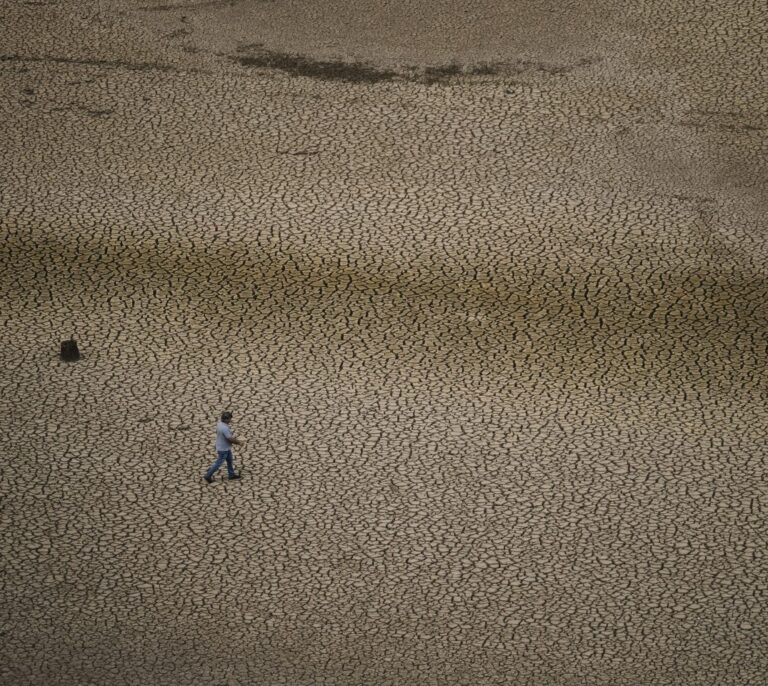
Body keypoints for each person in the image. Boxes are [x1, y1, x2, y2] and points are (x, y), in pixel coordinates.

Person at [204, 411, 242, 483]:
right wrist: (239, 442)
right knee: (218, 463)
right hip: (223, 449)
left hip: (225, 447)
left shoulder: (219, 424)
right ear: (226, 419)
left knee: (230, 461)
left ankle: (231, 475)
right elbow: (230, 439)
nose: (230, 420)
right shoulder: (224, 428)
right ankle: (208, 475)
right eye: (230, 419)